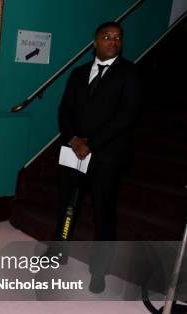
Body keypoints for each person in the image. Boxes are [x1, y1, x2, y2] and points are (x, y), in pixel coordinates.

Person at [54, 21, 141, 289]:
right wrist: (73, 139)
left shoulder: (130, 73)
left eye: (118, 37)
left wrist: (90, 144)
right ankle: (59, 250)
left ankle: (99, 271)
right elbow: (64, 110)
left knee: (104, 213)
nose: (113, 41)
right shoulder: (78, 73)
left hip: (107, 156)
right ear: (95, 42)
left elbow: (127, 116)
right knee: (68, 205)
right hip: (74, 152)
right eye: (107, 36)